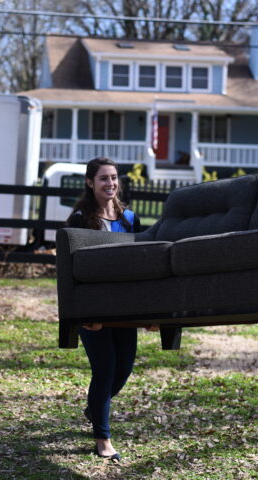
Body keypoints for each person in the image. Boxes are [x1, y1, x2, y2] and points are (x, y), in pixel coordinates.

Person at [66, 157, 145, 461]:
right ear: (90, 183)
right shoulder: (79, 220)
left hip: (125, 310)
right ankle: (103, 439)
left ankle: (94, 408)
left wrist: (147, 314)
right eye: (103, 179)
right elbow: (71, 272)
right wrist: (86, 314)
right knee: (105, 369)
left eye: (114, 178)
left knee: (123, 369)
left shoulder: (130, 219)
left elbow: (141, 266)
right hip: (93, 311)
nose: (110, 184)